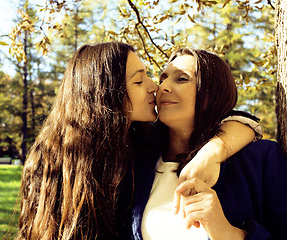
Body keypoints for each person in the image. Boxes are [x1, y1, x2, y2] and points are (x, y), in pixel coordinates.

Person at [17, 42, 260, 240]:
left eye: (181, 79)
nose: (158, 86)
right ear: (108, 93)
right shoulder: (126, 156)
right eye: (139, 80)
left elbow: (244, 121)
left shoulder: (255, 160)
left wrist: (213, 152)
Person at [132, 47, 287, 240]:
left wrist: (227, 232)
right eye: (163, 78)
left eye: (181, 78)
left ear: (212, 93)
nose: (162, 87)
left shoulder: (261, 159)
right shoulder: (136, 162)